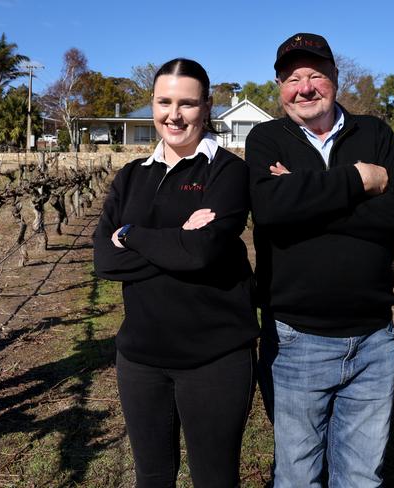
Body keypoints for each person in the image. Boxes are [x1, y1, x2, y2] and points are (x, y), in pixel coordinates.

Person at [246, 33, 394, 487]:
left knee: (363, 475)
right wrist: (359, 180)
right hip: (296, 337)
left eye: (315, 76)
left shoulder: (374, 132)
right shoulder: (267, 137)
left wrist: (308, 195)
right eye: (292, 79)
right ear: (279, 86)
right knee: (298, 474)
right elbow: (270, 211)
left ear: (334, 78)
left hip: (373, 339)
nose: (304, 88)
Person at [93, 58, 259, 487]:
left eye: (187, 103)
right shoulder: (131, 176)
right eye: (164, 102)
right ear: (152, 103)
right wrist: (175, 238)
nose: (174, 114)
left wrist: (129, 233)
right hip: (141, 357)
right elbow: (104, 261)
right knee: (151, 477)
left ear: (206, 107)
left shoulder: (229, 172)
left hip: (215, 357)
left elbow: (201, 254)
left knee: (214, 478)